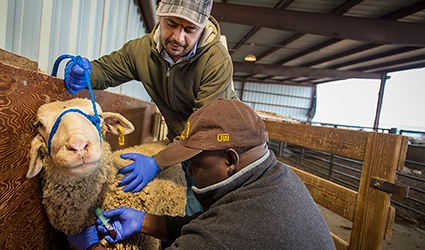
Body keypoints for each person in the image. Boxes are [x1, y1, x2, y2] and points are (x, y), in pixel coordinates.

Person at [68, 98, 336, 250]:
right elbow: (210, 223)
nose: (190, 171)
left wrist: (92, 246)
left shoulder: (232, 234)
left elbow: (215, 234)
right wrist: (144, 221)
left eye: (194, 164)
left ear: (230, 159)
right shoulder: (278, 177)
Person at [64, 0, 237, 215]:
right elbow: (107, 70)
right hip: (178, 140)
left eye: (189, 29)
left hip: (214, 148)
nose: (178, 37)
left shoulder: (215, 61)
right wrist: (87, 73)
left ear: (202, 28)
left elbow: (204, 129)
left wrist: (157, 162)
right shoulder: (142, 50)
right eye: (171, 24)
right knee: (173, 202)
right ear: (160, 17)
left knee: (200, 213)